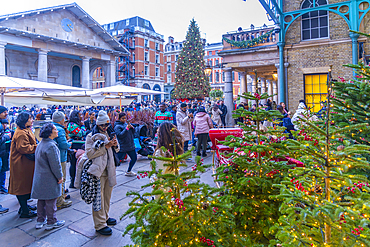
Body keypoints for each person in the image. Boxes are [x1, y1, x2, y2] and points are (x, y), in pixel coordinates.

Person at [77, 110, 119, 236]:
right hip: (97, 172)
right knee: (98, 199)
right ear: (98, 125)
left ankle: (105, 217)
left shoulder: (110, 133)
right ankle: (99, 224)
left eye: (107, 125)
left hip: (109, 169)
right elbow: (89, 153)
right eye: (102, 125)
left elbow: (118, 150)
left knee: (107, 197)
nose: (105, 127)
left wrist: (115, 145)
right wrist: (105, 147)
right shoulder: (91, 136)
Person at [31, 123, 65, 230]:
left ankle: (40, 220)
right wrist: (60, 177)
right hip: (49, 179)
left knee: (41, 200)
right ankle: (52, 221)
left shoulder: (41, 143)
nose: (57, 131)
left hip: (40, 178)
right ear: (50, 133)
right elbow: (55, 165)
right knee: (51, 201)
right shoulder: (51, 146)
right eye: (55, 129)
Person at [9, 112, 37, 218]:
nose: (32, 120)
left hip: (25, 163)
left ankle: (24, 207)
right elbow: (24, 148)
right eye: (30, 118)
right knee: (22, 187)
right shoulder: (21, 133)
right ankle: (25, 210)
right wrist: (37, 147)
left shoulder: (25, 130)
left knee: (25, 186)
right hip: (21, 164)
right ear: (24, 120)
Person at [52, 111, 73, 209]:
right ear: (61, 120)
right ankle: (60, 201)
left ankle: (56, 199)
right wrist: (69, 144)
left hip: (54, 157)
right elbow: (63, 145)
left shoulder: (51, 127)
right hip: (61, 157)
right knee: (62, 179)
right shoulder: (59, 129)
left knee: (56, 179)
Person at [114, 112, 137, 176]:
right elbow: (120, 135)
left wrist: (132, 128)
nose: (124, 120)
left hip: (130, 145)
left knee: (134, 158)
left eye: (125, 118)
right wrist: (126, 129)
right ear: (119, 118)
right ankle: (111, 172)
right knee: (116, 161)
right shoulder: (117, 126)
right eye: (122, 118)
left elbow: (133, 133)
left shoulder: (126, 124)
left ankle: (129, 171)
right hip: (123, 146)